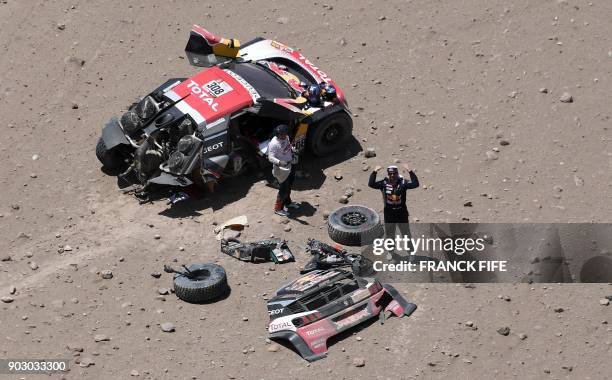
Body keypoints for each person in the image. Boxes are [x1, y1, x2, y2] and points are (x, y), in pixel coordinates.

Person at [368, 164, 419, 256]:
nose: (392, 175)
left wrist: (410, 171)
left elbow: (415, 184)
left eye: (394, 173)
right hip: (389, 214)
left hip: (401, 213)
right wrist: (374, 171)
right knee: (390, 234)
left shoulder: (403, 183)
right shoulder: (384, 183)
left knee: (406, 234)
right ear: (388, 174)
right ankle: (391, 252)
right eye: (390, 173)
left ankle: (411, 253)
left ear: (397, 173)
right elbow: (371, 184)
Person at [267, 124, 300, 216]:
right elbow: (270, 157)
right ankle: (278, 208)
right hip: (281, 169)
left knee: (289, 185)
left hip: (290, 164)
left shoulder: (286, 138)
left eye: (284, 134)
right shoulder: (273, 144)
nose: (283, 136)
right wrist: (280, 162)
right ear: (277, 134)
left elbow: (288, 147)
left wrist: (293, 150)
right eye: (281, 134)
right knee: (283, 189)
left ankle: (288, 203)